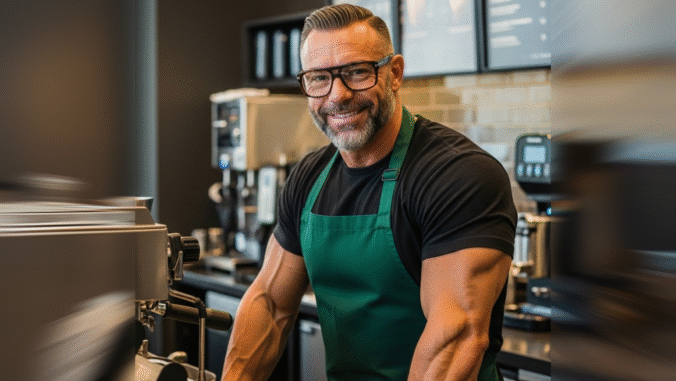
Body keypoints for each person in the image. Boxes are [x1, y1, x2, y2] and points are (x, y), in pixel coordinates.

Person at [222, 4, 516, 381]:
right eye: (318, 78)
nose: (338, 95)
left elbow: (454, 339)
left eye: (357, 72)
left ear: (394, 73)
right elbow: (270, 304)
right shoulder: (308, 177)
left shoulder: (459, 175)